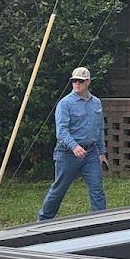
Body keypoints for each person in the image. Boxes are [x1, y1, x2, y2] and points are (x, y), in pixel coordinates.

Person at [38, 66, 107, 221]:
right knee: (59, 189)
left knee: (97, 189)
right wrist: (74, 146)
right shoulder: (65, 103)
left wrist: (101, 152)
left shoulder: (96, 103)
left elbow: (99, 127)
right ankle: (43, 221)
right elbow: (61, 131)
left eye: (81, 81)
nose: (77, 84)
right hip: (67, 153)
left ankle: (102, 222)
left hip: (91, 152)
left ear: (88, 82)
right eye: (74, 81)